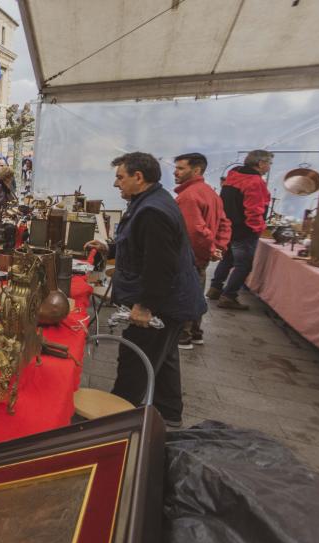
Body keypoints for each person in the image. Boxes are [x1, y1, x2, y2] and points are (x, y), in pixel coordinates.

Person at [84, 152, 205, 427]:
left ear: (138, 177)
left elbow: (160, 265)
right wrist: (111, 248)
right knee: (163, 360)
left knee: (135, 362)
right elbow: (141, 246)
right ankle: (170, 416)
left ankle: (113, 423)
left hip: (163, 302)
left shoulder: (152, 210)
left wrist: (145, 306)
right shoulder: (149, 201)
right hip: (172, 301)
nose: (116, 184)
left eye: (120, 177)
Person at [172, 152, 231, 349]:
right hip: (201, 256)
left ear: (196, 170)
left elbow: (195, 231)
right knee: (197, 293)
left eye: (181, 168)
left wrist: (214, 248)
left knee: (185, 296)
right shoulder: (211, 192)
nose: (175, 172)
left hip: (190, 257)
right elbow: (225, 224)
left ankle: (183, 336)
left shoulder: (189, 196)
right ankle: (196, 333)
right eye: (176, 167)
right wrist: (218, 248)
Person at [208, 149, 273, 310]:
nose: (270, 167)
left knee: (227, 258)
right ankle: (229, 296)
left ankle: (215, 289)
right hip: (244, 231)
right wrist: (258, 228)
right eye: (269, 163)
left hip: (229, 227)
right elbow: (254, 209)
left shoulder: (233, 175)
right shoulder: (254, 182)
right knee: (243, 265)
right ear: (260, 163)